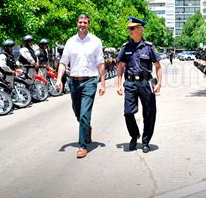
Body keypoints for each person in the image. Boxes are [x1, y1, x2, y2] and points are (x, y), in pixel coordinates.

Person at [56, 14, 106, 159]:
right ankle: (86, 128)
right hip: (74, 81)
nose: (82, 24)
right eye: (80, 22)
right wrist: (59, 79)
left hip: (90, 81)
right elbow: (63, 62)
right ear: (77, 23)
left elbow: (100, 63)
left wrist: (102, 83)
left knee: (85, 114)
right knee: (77, 112)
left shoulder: (96, 41)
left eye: (85, 22)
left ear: (88, 24)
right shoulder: (70, 42)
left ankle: (82, 146)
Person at [116, 16, 162, 153]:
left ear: (140, 30)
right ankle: (134, 135)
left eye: (132, 28)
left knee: (149, 113)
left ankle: (146, 141)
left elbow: (157, 66)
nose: (130, 30)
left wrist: (159, 82)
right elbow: (120, 66)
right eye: (129, 28)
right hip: (130, 82)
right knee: (128, 112)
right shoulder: (126, 47)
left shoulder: (149, 47)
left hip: (145, 82)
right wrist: (119, 84)